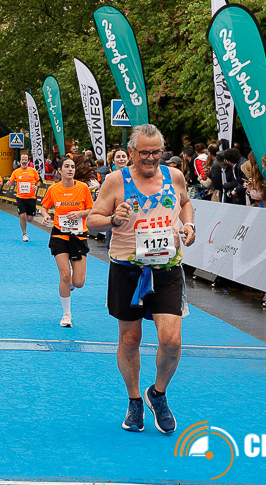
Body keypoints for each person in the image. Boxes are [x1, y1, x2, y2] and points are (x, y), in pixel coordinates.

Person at [87, 123, 196, 435]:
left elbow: (185, 202)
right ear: (131, 151)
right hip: (128, 270)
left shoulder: (174, 176)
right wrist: (112, 219)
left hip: (166, 268)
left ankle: (158, 394)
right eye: (144, 153)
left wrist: (188, 225)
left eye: (156, 152)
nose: (150, 158)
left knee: (172, 341)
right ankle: (134, 400)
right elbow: (93, 220)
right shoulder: (115, 181)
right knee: (130, 339)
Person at [38, 156, 94, 327]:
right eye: (67, 167)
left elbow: (91, 209)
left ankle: (71, 279)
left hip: (78, 236)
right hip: (59, 235)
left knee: (78, 282)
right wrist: (46, 215)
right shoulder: (53, 189)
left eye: (72, 167)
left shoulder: (83, 188)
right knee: (64, 275)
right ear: (59, 171)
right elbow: (44, 207)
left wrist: (80, 213)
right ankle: (66, 315)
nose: (70, 169)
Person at [5, 152, 42, 243]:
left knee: (30, 219)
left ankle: (27, 223)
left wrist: (36, 186)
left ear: (28, 161)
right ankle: (24, 234)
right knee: (22, 216)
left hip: (31, 197)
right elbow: (10, 182)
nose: (24, 161)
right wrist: (8, 184)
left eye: (26, 160)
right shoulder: (16, 172)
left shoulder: (33, 171)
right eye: (22, 160)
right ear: (20, 161)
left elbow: (39, 181)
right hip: (20, 197)